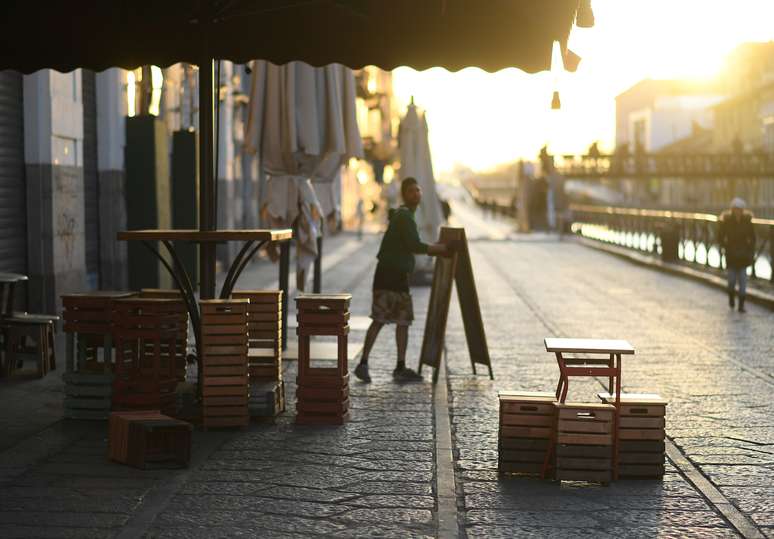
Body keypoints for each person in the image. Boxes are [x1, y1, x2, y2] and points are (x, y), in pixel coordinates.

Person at [354, 177, 451, 383]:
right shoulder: (405, 217)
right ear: (405, 195)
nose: (417, 194)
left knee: (402, 321)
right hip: (391, 275)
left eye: (418, 190)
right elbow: (414, 245)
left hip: (395, 275)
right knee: (381, 319)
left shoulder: (403, 215)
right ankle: (365, 363)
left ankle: (396, 365)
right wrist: (439, 249)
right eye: (412, 191)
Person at [718, 198, 756, 312]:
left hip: (743, 255)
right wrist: (725, 247)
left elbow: (753, 238)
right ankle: (731, 297)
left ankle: (741, 305)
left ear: (743, 210)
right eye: (735, 209)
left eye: (739, 209)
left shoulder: (747, 222)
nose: (737, 212)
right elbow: (720, 236)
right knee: (731, 280)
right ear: (732, 210)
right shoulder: (727, 221)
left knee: (743, 281)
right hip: (731, 255)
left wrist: (750, 250)